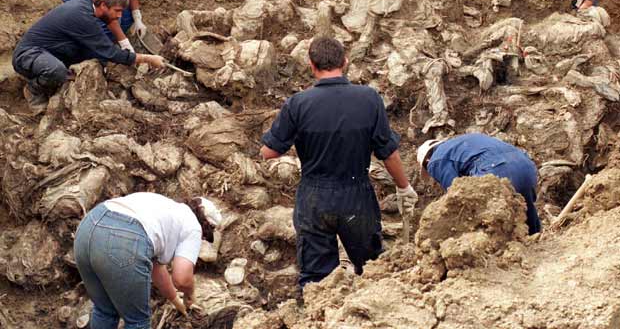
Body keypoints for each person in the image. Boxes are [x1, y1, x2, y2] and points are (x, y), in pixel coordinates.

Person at [260, 36, 417, 288]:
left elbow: (269, 152)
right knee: (373, 270)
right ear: (345, 62)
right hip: (356, 195)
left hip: (314, 198)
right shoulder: (369, 99)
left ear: (311, 65)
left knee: (316, 280)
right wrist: (403, 186)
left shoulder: (297, 104)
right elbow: (388, 152)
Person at [12, 0, 165, 113]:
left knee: (94, 55)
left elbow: (101, 50)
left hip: (51, 52)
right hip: (28, 55)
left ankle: (57, 79)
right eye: (117, 11)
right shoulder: (81, 16)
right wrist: (147, 59)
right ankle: (33, 90)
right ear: (104, 5)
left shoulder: (88, 8)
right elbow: (109, 51)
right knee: (56, 71)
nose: (119, 16)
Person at [74, 193, 221, 329]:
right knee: (138, 322)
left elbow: (156, 269)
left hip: (87, 229)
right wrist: (190, 295)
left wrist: (176, 300)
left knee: (105, 310)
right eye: (204, 236)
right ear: (205, 226)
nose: (201, 239)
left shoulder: (167, 209)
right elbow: (182, 279)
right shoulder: (193, 226)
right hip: (121, 240)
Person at [417, 133, 541, 235]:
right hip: (526, 165)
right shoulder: (465, 141)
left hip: (496, 169)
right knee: (526, 208)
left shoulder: (435, 160)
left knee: (482, 216)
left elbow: (456, 196)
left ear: (427, 160)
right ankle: (537, 241)